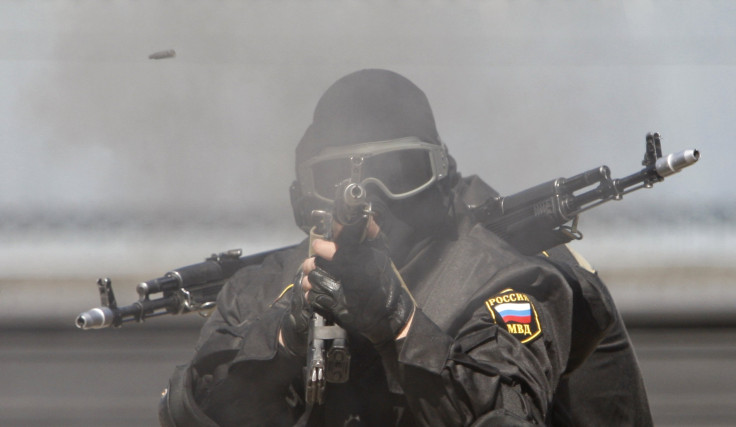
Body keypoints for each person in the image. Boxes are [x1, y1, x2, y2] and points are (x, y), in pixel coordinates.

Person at [159, 69, 652, 426]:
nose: (370, 199)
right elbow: (194, 411)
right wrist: (285, 336)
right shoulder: (265, 288)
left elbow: (501, 416)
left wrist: (400, 324)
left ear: (442, 179)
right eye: (337, 178)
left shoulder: (510, 281)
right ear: (301, 199)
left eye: (402, 172)